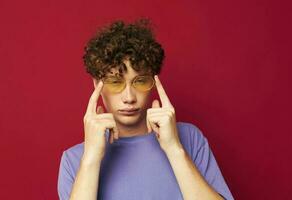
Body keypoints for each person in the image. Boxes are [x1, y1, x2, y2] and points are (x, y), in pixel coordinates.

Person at [57, 18, 234, 200]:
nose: (129, 98)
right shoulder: (74, 160)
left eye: (140, 81)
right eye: (115, 82)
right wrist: (91, 158)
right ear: (97, 85)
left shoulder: (189, 138)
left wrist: (174, 148)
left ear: (153, 82)